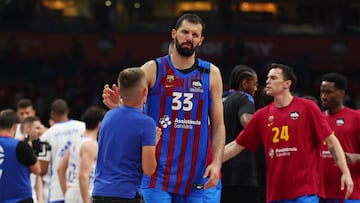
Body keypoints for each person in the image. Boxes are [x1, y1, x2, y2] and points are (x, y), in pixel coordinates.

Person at [102, 13, 225, 202]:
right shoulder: (153, 68)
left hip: (196, 175)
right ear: (174, 34)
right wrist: (118, 106)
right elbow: (129, 104)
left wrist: (216, 164)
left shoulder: (211, 73)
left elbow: (218, 125)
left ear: (201, 40)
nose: (189, 38)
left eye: (194, 34)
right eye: (185, 32)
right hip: (157, 175)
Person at [223, 63, 353, 203]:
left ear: (287, 83)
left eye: (273, 78)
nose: (267, 81)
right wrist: (210, 161)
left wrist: (345, 172)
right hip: (276, 194)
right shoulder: (261, 115)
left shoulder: (307, 107)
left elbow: (331, 141)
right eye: (267, 78)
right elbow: (237, 145)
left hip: (305, 192)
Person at [93, 67, 159, 202]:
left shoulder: (108, 116)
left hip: (99, 192)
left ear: (120, 91)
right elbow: (149, 169)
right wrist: (154, 143)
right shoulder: (146, 123)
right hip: (126, 194)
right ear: (145, 92)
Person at [221, 65, 262, 203]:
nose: (256, 89)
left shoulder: (219, 99)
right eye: (254, 84)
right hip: (243, 176)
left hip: (220, 174)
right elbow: (247, 121)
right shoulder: (245, 98)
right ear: (244, 84)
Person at [319, 73, 360, 202]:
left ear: (342, 93)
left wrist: (357, 157)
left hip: (350, 194)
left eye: (329, 92)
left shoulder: (356, 118)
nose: (323, 96)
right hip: (321, 194)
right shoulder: (317, 119)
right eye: (322, 92)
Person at [38, 98, 86, 203]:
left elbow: (42, 170)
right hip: (81, 189)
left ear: (52, 113)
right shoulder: (82, 127)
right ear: (67, 110)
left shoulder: (47, 135)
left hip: (58, 191)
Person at [57, 106, 106, 203]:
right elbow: (83, 176)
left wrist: (66, 193)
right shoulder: (90, 145)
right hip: (83, 192)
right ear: (99, 124)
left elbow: (60, 169)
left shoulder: (76, 141)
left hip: (72, 191)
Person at [0, 109, 41, 203]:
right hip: (20, 198)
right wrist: (31, 150)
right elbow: (37, 170)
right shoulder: (20, 146)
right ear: (14, 127)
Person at [22, 116, 46, 203]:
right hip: (24, 193)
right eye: (37, 128)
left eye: (41, 128)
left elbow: (37, 175)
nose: (40, 131)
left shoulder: (44, 145)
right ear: (27, 129)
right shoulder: (19, 147)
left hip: (39, 192)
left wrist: (40, 199)